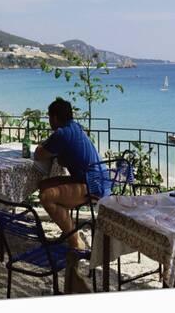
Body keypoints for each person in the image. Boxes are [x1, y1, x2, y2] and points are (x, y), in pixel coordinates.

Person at [34, 98, 109, 250]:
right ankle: (68, 228)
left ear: (54, 117)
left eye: (49, 117)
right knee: (43, 185)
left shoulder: (62, 133)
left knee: (46, 197)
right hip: (97, 179)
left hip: (92, 185)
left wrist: (42, 144)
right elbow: (62, 160)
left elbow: (39, 155)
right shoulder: (75, 127)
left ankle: (75, 240)